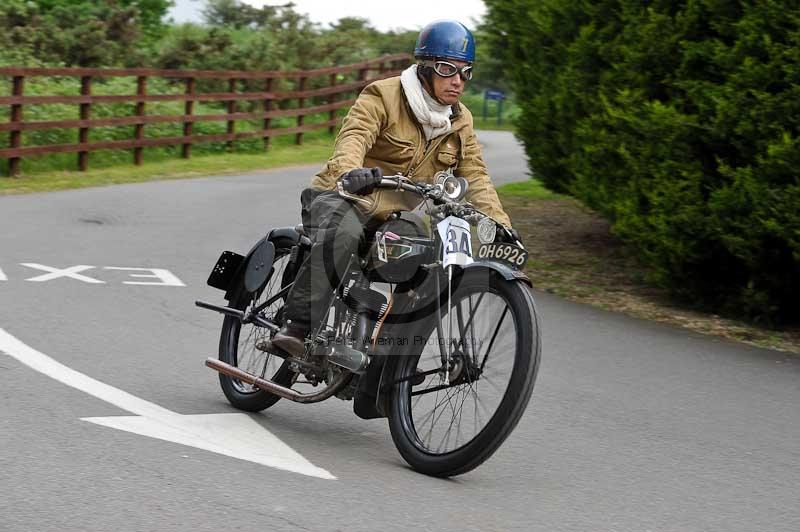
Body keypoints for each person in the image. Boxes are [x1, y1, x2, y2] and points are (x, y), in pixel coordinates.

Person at [271, 20, 516, 357]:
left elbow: (475, 175)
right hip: (343, 195)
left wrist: (501, 225)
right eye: (447, 69)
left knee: (429, 257)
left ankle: (390, 355)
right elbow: (354, 137)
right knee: (343, 234)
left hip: (394, 217)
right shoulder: (383, 95)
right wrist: (351, 172)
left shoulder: (460, 120)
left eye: (465, 71)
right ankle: (297, 326)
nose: (457, 80)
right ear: (425, 68)